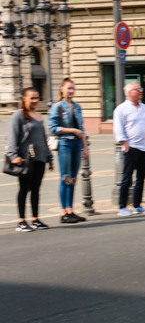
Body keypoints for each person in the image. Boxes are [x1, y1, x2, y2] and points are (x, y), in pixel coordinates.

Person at [7, 88, 54, 232]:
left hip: (39, 158)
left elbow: (43, 139)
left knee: (36, 189)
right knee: (24, 189)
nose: (35, 101)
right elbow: (12, 137)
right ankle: (21, 221)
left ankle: (35, 219)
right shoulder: (18, 116)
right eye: (32, 98)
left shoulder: (39, 115)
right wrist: (13, 155)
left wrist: (49, 158)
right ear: (24, 99)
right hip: (25, 159)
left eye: (37, 98)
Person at [49, 78, 89, 224]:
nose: (71, 91)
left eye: (73, 88)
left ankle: (71, 210)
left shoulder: (77, 107)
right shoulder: (57, 107)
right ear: (62, 89)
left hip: (77, 144)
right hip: (65, 144)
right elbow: (53, 128)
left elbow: (82, 129)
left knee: (73, 178)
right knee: (65, 177)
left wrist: (85, 147)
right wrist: (72, 130)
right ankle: (64, 212)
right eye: (68, 88)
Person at [113, 81, 145, 216]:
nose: (141, 91)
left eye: (141, 89)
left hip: (144, 147)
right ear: (130, 92)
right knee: (127, 178)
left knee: (140, 178)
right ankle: (122, 207)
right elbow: (118, 128)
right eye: (138, 89)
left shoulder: (144, 107)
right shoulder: (121, 109)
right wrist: (124, 144)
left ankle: (137, 205)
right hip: (131, 148)